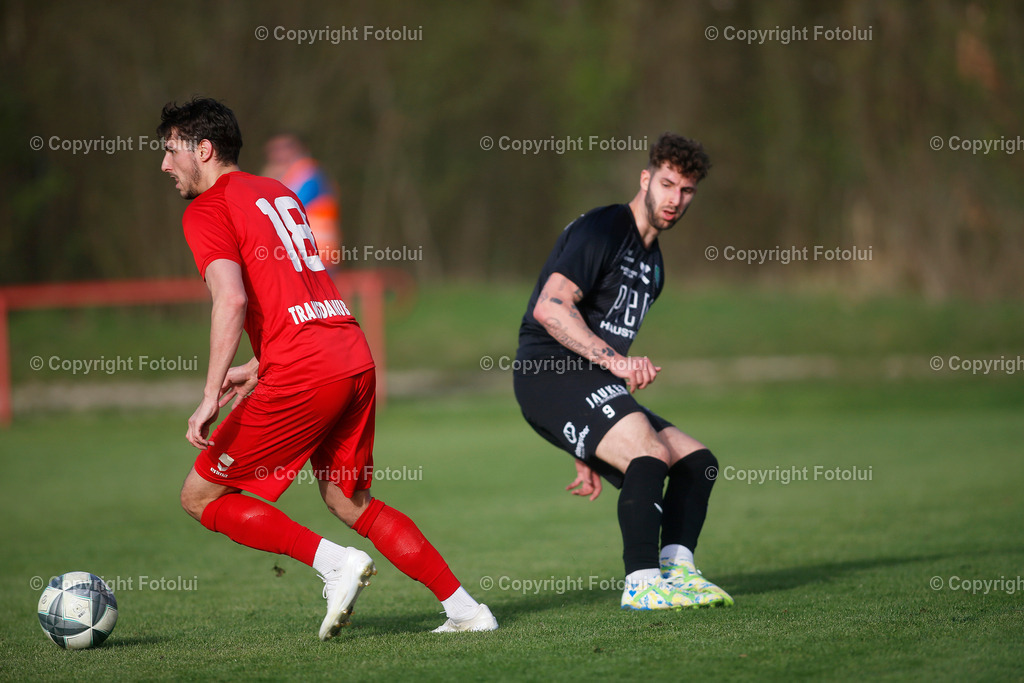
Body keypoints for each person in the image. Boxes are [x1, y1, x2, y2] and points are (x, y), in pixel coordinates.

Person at [158, 97, 497, 639]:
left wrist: (206, 396)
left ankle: (334, 564)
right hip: (349, 353)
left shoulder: (205, 209)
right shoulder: (280, 192)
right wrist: (255, 364)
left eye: (171, 150)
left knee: (199, 497)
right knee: (347, 498)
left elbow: (232, 300)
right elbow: (298, 292)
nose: (164, 164)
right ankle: (467, 611)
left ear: (204, 148)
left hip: (303, 368)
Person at [513, 132, 732, 611]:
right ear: (646, 178)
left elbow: (606, 345)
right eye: (668, 184)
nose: (675, 199)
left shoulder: (654, 268)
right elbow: (551, 308)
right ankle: (641, 582)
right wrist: (615, 364)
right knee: (647, 453)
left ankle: (677, 572)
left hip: (586, 382)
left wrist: (589, 442)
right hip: (547, 371)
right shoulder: (606, 227)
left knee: (698, 463)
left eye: (687, 190)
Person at [262, 133, 343, 272]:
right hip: (302, 251)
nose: (279, 154)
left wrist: (269, 178)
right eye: (274, 149)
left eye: (285, 147)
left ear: (299, 149)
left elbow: (284, 206)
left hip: (314, 250)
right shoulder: (293, 174)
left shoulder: (308, 173)